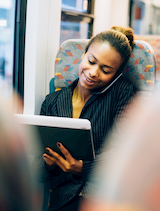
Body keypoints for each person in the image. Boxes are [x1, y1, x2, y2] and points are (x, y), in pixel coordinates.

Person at [33, 26, 137, 211]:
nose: (94, 72)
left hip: (103, 197)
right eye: (91, 61)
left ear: (116, 75)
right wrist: (47, 163)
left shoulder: (122, 92)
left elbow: (125, 152)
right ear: (83, 55)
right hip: (64, 200)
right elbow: (36, 169)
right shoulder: (52, 102)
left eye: (106, 70)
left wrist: (82, 167)